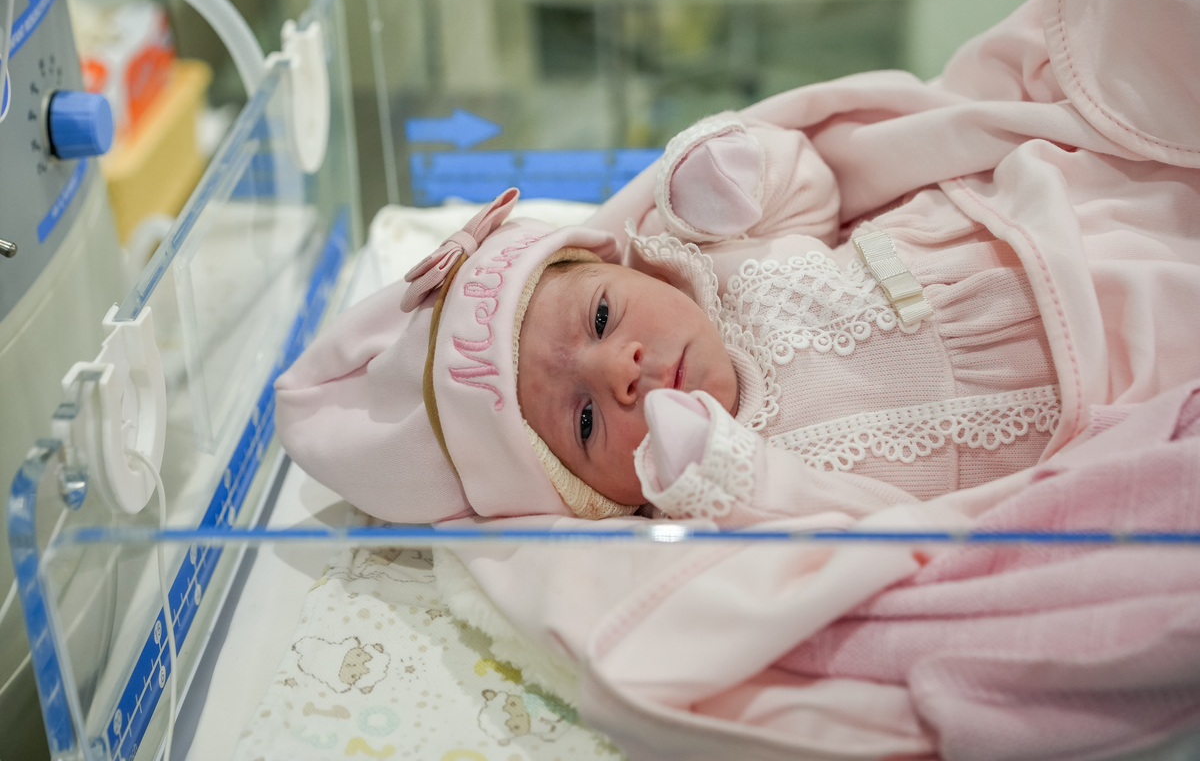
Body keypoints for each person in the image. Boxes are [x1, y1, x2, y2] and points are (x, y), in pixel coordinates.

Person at [276, 111, 1091, 527]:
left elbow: (816, 187)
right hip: (1094, 408)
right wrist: (731, 480)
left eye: (602, 315)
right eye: (585, 421)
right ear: (599, 500)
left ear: (621, 266)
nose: (618, 369)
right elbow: (873, 541)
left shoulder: (713, 261)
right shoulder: (720, 490)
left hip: (1041, 226)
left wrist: (737, 175)